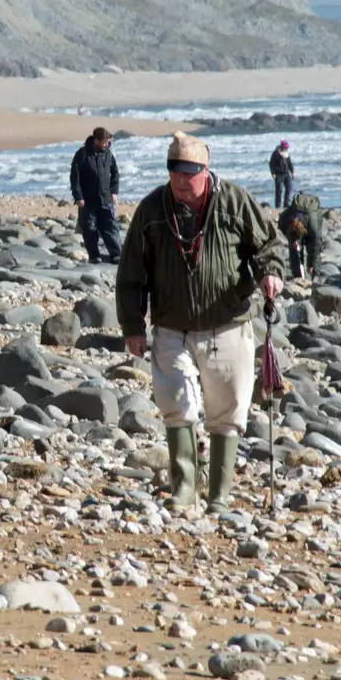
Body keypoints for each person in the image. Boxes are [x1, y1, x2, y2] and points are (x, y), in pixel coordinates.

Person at [115, 133, 285, 516]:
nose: (179, 181)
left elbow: (268, 246)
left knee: (227, 411)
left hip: (227, 324)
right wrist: (133, 326)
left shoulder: (233, 202)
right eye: (174, 171)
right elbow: (131, 272)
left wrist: (270, 274)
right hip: (172, 326)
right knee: (176, 402)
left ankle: (219, 497)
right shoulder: (153, 209)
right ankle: (184, 490)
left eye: (188, 173)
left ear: (205, 171)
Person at [69, 126, 121, 263]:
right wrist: (78, 196)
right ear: (96, 140)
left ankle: (116, 254)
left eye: (108, 142)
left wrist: (114, 192)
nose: (107, 144)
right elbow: (75, 176)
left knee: (111, 227)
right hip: (87, 200)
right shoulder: (82, 154)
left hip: (106, 198)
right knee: (89, 228)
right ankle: (94, 256)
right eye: (105, 141)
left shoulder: (108, 154)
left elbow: (115, 173)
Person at [279, 190, 324, 281]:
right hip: (294, 224)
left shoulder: (313, 224)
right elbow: (282, 228)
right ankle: (298, 277)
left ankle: (316, 277)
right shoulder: (284, 217)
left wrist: (311, 264)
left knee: (314, 249)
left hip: (313, 217)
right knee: (294, 250)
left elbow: (316, 244)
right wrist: (292, 240)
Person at [269, 140, 295, 207]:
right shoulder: (275, 153)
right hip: (278, 174)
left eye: (287, 147)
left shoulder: (287, 153)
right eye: (285, 147)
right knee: (279, 191)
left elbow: (289, 163)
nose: (286, 149)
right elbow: (272, 164)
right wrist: (273, 173)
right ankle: (278, 206)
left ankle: (286, 204)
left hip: (286, 173)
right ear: (282, 147)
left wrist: (292, 172)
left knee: (289, 188)